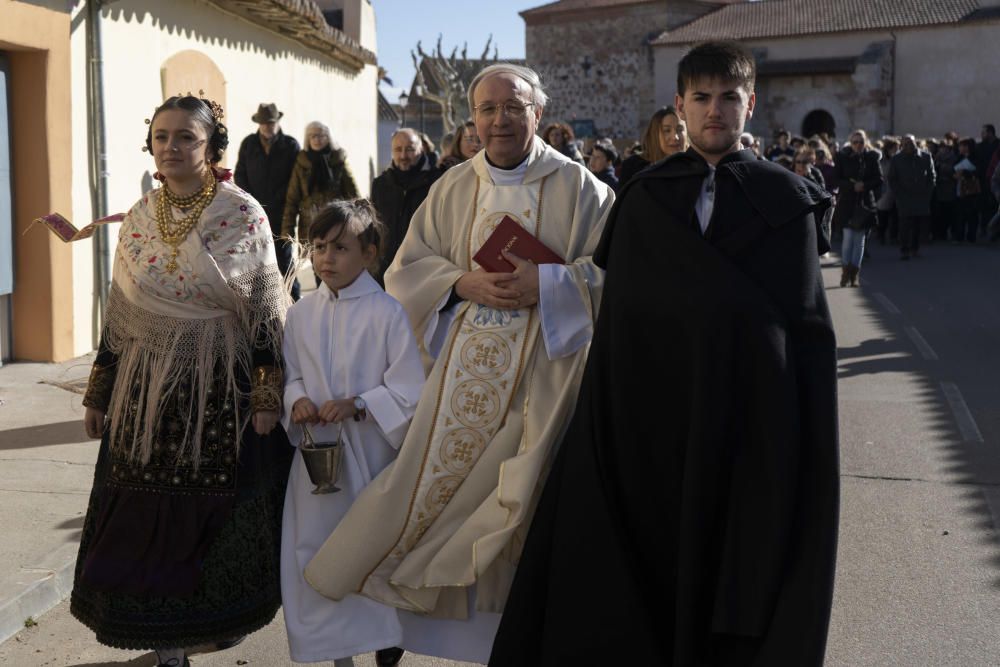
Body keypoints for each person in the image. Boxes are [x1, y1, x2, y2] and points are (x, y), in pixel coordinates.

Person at [489, 40, 838, 667]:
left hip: (745, 421)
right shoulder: (646, 200)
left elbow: (803, 328)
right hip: (656, 419)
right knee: (648, 560)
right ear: (679, 106)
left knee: (731, 557)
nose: (714, 111)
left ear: (749, 105)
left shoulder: (788, 203)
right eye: (700, 98)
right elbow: (624, 320)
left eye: (728, 98)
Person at [301, 62, 614, 665]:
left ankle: (522, 635)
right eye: (488, 109)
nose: (499, 120)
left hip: (545, 377)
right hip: (459, 375)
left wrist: (547, 285)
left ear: (537, 113)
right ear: (471, 120)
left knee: (525, 497)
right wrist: (461, 280)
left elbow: (616, 275)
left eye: (513, 107)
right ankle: (423, 620)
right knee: (431, 490)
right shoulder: (449, 188)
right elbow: (405, 273)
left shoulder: (585, 191)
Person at [71, 95, 293, 667]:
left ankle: (209, 629)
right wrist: (100, 391)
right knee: (141, 517)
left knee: (209, 521)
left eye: (185, 138)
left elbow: (265, 315)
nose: (170, 147)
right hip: (144, 391)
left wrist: (267, 397)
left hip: (218, 393)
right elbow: (122, 311)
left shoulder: (242, 214)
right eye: (162, 137)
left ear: (212, 147)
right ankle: (166, 649)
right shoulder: (141, 214)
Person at [280, 200, 424, 667]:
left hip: (370, 457)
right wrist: (295, 400)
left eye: (340, 248)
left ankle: (385, 643)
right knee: (316, 550)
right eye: (319, 246)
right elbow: (292, 373)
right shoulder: (301, 314)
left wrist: (360, 403)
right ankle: (336, 653)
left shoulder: (387, 313)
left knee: (369, 551)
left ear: (369, 253)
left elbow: (407, 388)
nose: (326, 258)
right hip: (315, 459)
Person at [235, 103, 301, 300]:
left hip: (282, 212)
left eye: (271, 123)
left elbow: (295, 179)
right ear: (259, 124)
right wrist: (251, 200)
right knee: (256, 259)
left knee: (284, 258)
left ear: (277, 122)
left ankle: (293, 298)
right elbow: (240, 174)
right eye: (264, 123)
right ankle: (262, 301)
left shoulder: (290, 145)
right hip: (254, 211)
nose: (268, 127)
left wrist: (278, 199)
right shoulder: (249, 144)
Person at [370, 128, 440, 280]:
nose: (403, 156)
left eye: (410, 149)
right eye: (398, 149)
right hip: (385, 269)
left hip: (423, 268)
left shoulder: (438, 181)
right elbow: (373, 226)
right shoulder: (380, 184)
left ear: (421, 149)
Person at [281, 121, 359, 246]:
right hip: (309, 225)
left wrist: (357, 223)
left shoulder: (338, 160)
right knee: (312, 261)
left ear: (328, 138)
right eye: (313, 136)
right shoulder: (302, 162)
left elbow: (352, 193)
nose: (317, 139)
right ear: (308, 139)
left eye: (321, 135)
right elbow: (292, 199)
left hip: (335, 222)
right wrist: (287, 230)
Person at [832, 129, 882, 263]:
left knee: (860, 239)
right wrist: (851, 185)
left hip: (865, 202)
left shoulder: (871, 158)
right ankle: (846, 268)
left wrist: (864, 185)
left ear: (865, 143)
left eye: (861, 142)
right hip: (847, 202)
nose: (858, 145)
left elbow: (879, 179)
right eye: (855, 142)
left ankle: (854, 270)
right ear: (850, 143)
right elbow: (836, 179)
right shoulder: (842, 157)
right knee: (848, 238)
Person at [890, 134, 936, 260]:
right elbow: (892, 179)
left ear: (915, 143)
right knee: (904, 224)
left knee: (917, 224)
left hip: (920, 196)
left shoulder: (925, 157)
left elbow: (932, 176)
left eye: (910, 143)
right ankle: (904, 249)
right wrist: (899, 193)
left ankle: (915, 248)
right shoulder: (896, 159)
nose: (908, 146)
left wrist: (927, 192)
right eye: (904, 144)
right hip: (904, 196)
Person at [619, 106, 687, 184]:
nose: (675, 137)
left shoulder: (696, 167)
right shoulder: (633, 167)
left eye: (680, 129)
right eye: (667, 130)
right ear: (655, 135)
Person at [932, 133, 959, 241]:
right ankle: (940, 233)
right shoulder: (938, 155)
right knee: (940, 212)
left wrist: (941, 166)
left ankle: (951, 232)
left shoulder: (954, 154)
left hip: (950, 186)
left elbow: (953, 169)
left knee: (950, 211)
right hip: (939, 187)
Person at [955, 138, 981, 243]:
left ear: (967, 147)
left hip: (972, 190)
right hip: (960, 188)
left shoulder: (975, 158)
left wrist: (965, 172)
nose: (959, 148)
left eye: (961, 146)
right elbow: (954, 169)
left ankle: (971, 236)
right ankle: (959, 236)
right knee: (959, 213)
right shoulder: (959, 157)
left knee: (972, 213)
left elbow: (978, 172)